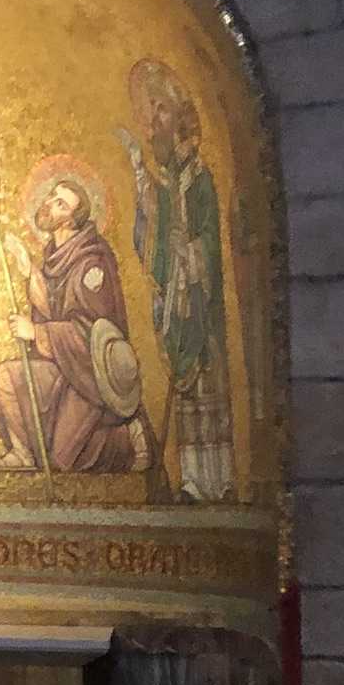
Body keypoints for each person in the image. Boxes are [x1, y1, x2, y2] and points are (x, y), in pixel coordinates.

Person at [119, 62, 234, 500]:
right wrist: (136, 170)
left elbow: (208, 236)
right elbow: (151, 233)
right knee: (187, 400)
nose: (152, 123)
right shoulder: (168, 185)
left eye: (160, 111)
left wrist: (193, 254)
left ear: (181, 116)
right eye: (148, 114)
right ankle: (190, 480)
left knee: (208, 387)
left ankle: (218, 481)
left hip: (200, 305)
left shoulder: (200, 178)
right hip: (178, 303)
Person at [0, 175, 144, 474]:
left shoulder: (92, 263)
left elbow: (91, 336)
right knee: (6, 376)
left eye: (60, 204)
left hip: (90, 376)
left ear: (72, 221)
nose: (49, 204)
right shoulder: (54, 254)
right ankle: (23, 454)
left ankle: (130, 438)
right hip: (63, 366)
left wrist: (37, 332)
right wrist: (30, 271)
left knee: (64, 460)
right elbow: (54, 309)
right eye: (52, 196)